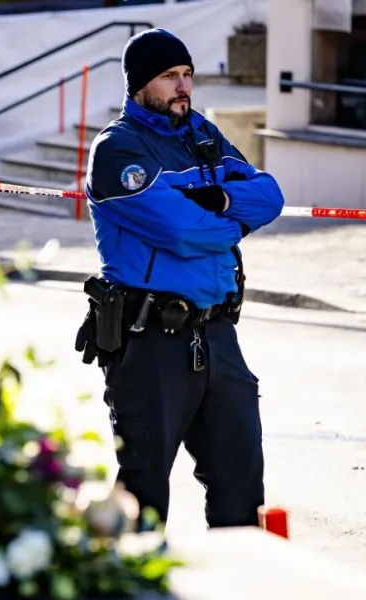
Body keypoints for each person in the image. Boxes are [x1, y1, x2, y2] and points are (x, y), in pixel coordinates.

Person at [74, 28, 285, 529]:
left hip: (218, 336)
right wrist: (235, 222)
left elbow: (270, 194)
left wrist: (226, 202)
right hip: (151, 344)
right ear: (140, 85)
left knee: (242, 489)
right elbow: (183, 232)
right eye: (169, 76)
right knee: (143, 497)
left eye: (187, 74)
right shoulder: (117, 150)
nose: (182, 86)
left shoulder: (203, 136)